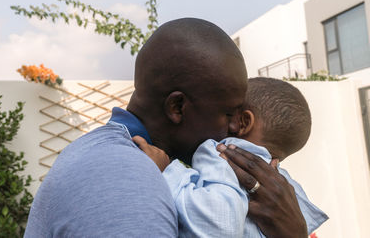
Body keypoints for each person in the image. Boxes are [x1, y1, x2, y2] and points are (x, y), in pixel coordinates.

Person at [25, 18, 308, 237]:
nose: (235, 127)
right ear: (178, 108)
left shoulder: (118, 159)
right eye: (227, 113)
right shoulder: (126, 177)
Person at [134, 77, 328, 237]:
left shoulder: (222, 153)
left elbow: (217, 226)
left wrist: (168, 171)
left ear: (243, 122)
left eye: (228, 113)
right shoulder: (289, 189)